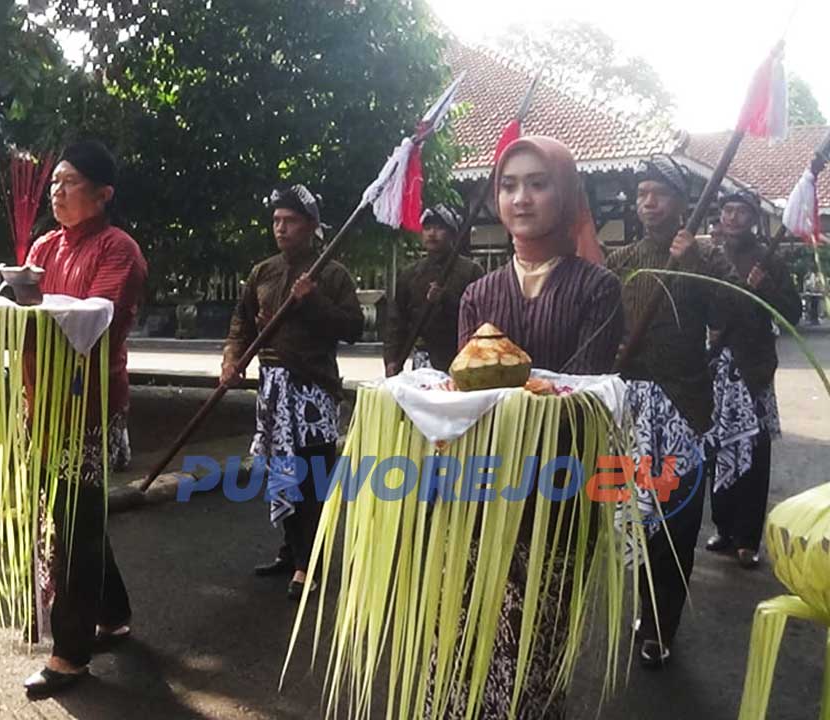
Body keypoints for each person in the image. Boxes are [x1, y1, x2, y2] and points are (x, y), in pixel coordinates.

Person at [448, 135, 623, 718]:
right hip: (482, 493)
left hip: (557, 495)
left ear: (567, 192)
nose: (521, 198)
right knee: (468, 636)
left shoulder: (597, 289)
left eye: (538, 183)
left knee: (535, 649)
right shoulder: (478, 293)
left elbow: (581, 396)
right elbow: (464, 397)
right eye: (508, 185)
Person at [21, 140, 148, 698]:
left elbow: (95, 323)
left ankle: (70, 652)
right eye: (55, 182)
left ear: (103, 194)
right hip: (42, 403)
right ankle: (113, 612)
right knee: (78, 512)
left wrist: (23, 314)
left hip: (87, 407)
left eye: (69, 182)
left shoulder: (119, 250)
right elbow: (18, 310)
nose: (57, 191)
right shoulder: (45, 246)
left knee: (71, 524)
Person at [604, 155, 737, 668]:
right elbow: (600, 320)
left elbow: (730, 315)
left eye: (659, 193)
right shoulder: (621, 262)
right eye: (641, 193)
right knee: (631, 519)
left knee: (677, 521)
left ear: (684, 203)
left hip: (683, 408)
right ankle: (643, 604)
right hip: (630, 411)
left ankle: (662, 624)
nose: (648, 202)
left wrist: (697, 264)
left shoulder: (705, 256)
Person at [222, 184, 363, 600]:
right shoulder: (262, 272)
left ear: (311, 227)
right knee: (281, 472)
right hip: (273, 387)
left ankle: (308, 564)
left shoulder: (331, 274)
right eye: (276, 221)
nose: (281, 229)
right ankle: (291, 550)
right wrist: (233, 359)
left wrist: (313, 300)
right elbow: (241, 322)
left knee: (310, 475)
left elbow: (353, 328)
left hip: (313, 389)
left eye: (290, 221)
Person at [706, 190, 801, 568]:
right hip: (716, 371)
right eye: (727, 210)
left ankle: (747, 538)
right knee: (718, 449)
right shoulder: (710, 258)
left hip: (754, 371)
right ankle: (724, 528)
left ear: (753, 219)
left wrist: (766, 287)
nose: (732, 218)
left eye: (741, 212)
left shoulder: (771, 262)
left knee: (755, 453)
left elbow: (791, 313)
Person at [383, 204, 484, 375]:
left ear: (452, 234)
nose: (432, 233)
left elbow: (481, 318)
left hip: (460, 356)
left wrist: (446, 300)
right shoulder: (410, 274)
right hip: (423, 358)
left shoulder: (471, 271)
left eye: (439, 228)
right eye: (427, 228)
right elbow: (397, 321)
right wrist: (392, 359)